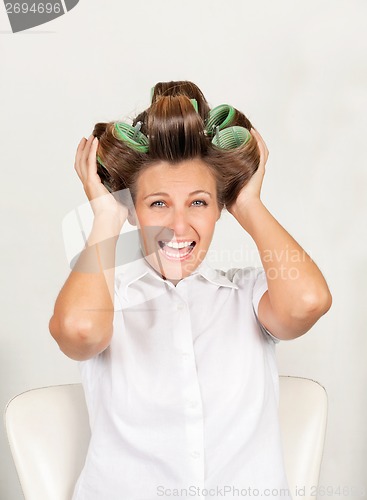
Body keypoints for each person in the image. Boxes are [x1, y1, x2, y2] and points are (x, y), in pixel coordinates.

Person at [49, 81, 332, 500]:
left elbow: (309, 302)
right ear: (133, 210)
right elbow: (78, 331)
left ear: (221, 207)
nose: (179, 226)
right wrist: (106, 216)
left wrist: (249, 203)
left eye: (198, 202)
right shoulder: (106, 300)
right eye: (158, 203)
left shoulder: (248, 296)